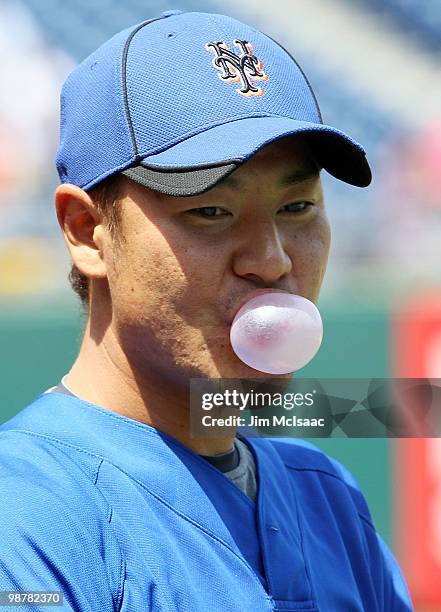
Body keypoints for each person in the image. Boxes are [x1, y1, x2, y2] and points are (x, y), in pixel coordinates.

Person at [0, 9, 413, 612]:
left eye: (297, 207)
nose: (270, 262)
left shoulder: (327, 497)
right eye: (211, 212)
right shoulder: (28, 515)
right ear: (89, 232)